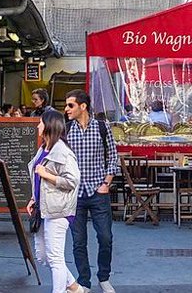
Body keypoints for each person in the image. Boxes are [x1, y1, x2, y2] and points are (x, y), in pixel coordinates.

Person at [64, 90, 118, 293]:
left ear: (83, 106)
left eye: (70, 105)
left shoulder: (103, 127)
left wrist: (106, 183)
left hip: (98, 191)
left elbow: (113, 157)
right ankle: (84, 281)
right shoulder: (67, 130)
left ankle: (104, 277)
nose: (67, 109)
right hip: (75, 194)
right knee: (79, 241)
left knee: (105, 237)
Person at [26, 110, 85, 293]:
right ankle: (74, 287)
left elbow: (72, 181)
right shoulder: (43, 149)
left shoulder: (63, 153)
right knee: (43, 256)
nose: (37, 126)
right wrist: (33, 198)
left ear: (49, 126)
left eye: (40, 123)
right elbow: (38, 181)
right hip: (42, 209)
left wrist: (47, 175)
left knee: (55, 257)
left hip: (58, 211)